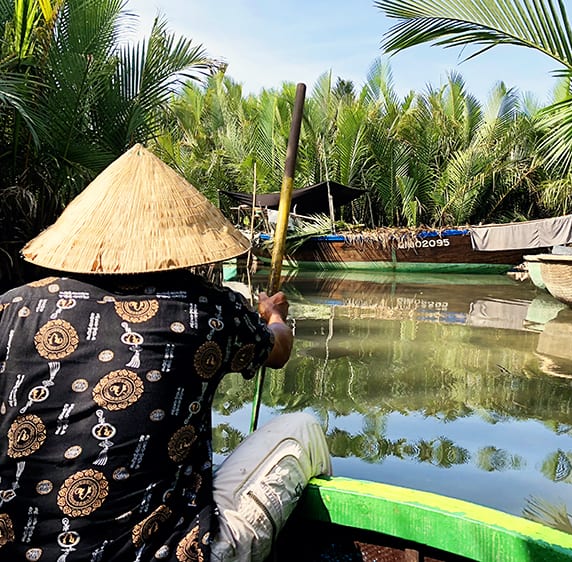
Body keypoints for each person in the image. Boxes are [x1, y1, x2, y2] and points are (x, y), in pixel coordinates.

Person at [0, 144, 332, 562]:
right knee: (303, 428)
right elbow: (278, 351)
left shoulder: (13, 308)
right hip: (164, 553)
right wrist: (273, 316)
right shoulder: (206, 309)